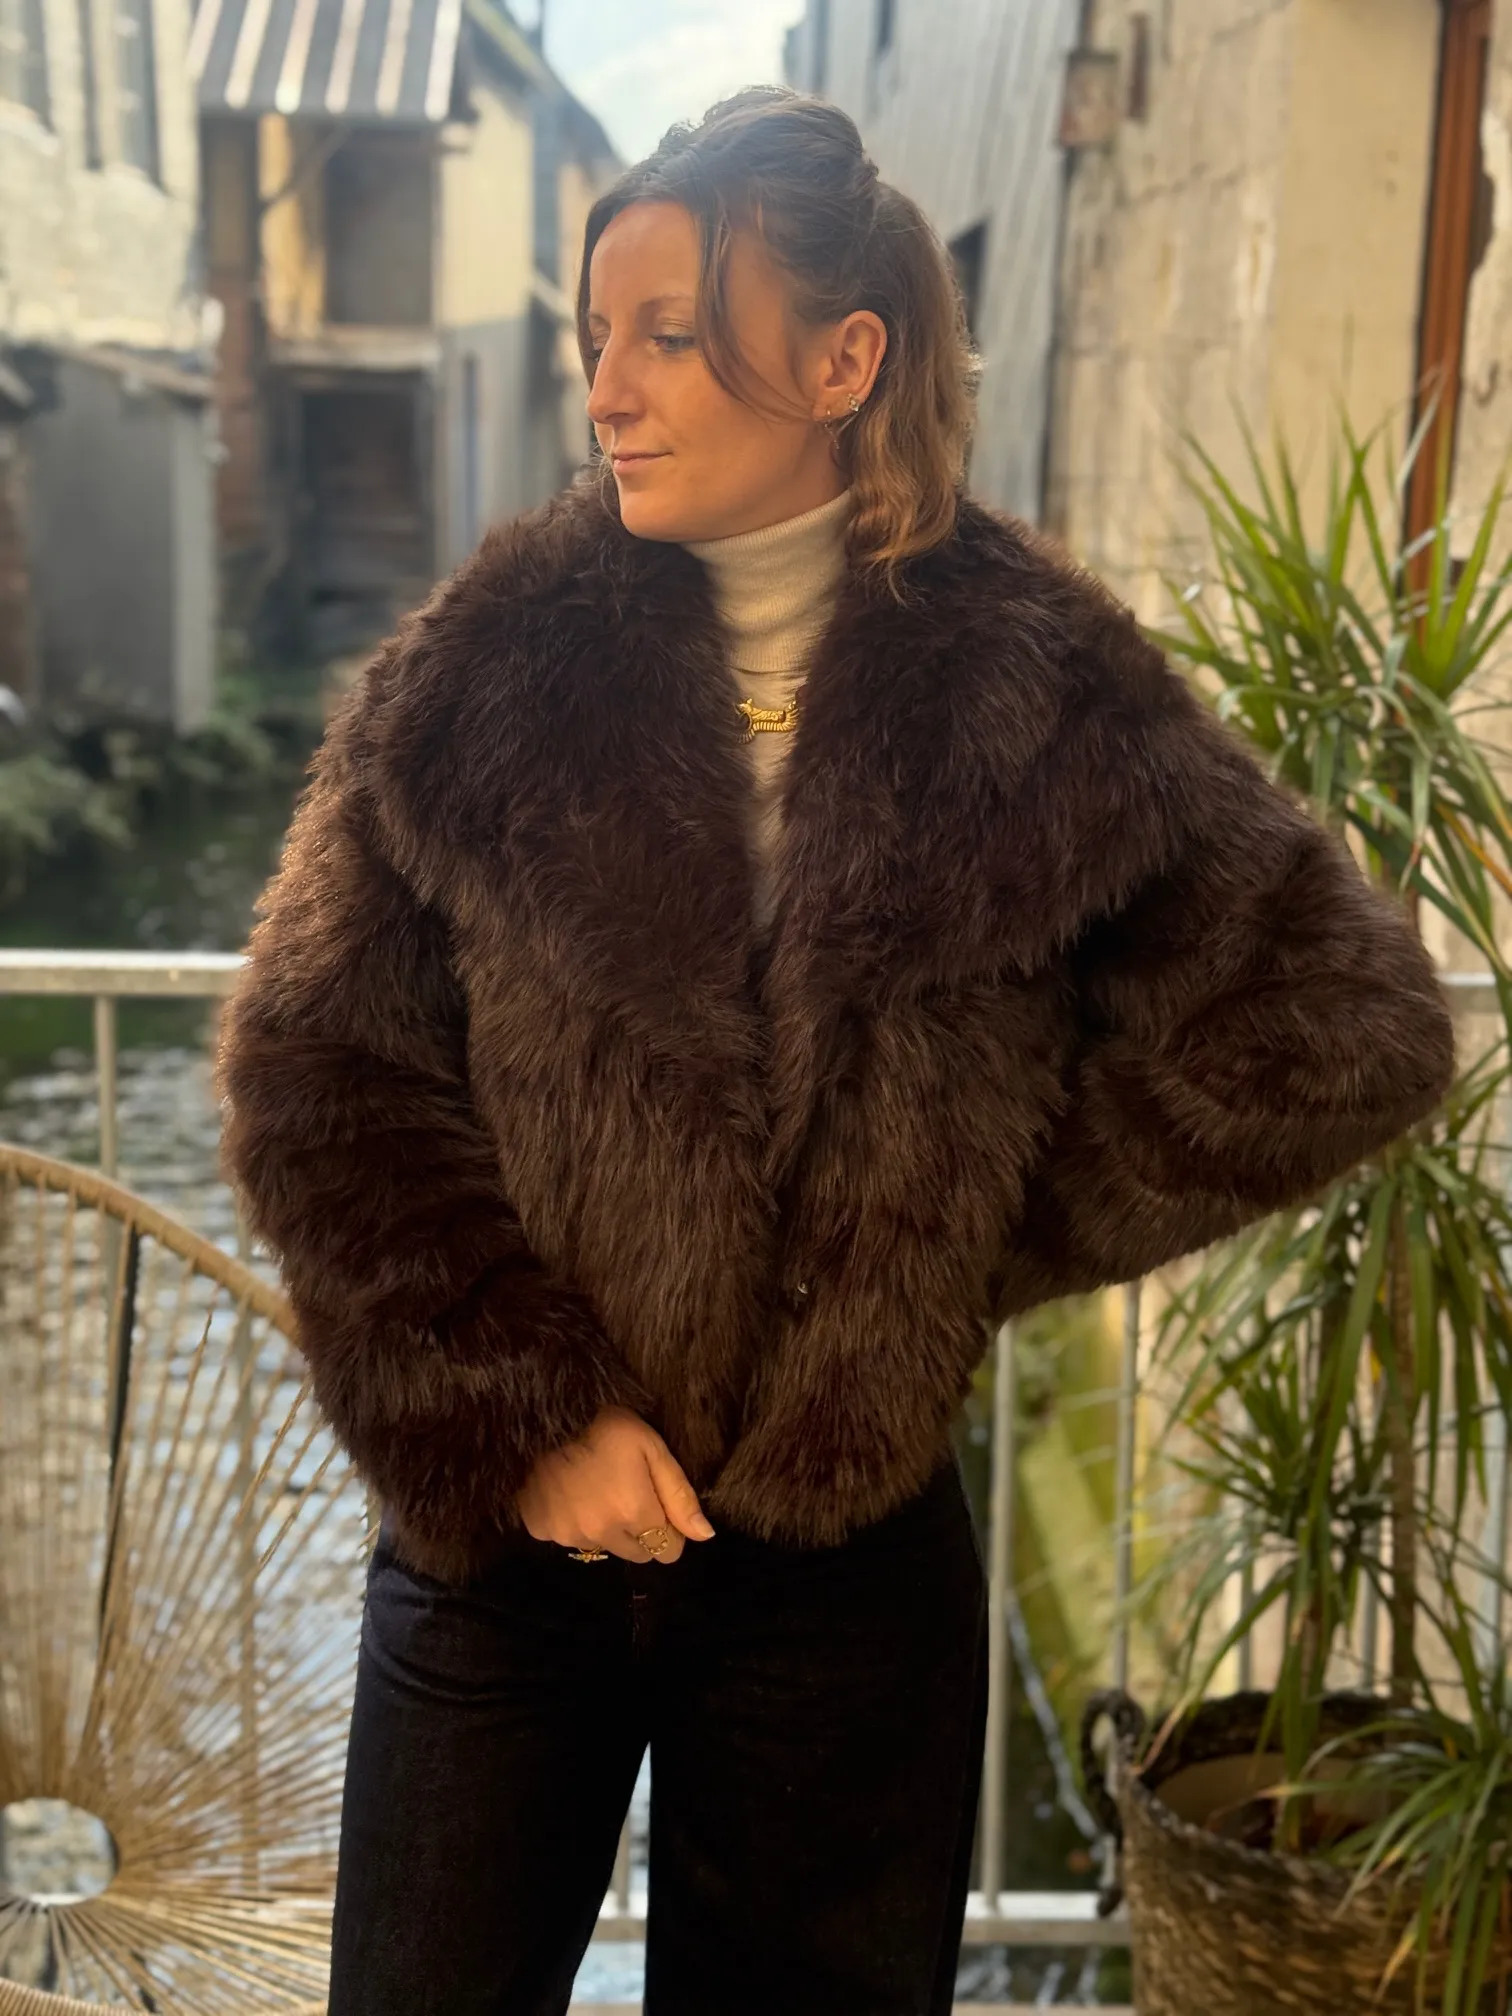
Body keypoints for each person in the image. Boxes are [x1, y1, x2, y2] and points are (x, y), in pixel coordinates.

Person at [214, 85, 1456, 2016]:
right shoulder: (484, 661)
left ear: (842, 359)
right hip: (505, 1545)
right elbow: (312, 1068)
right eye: (598, 335)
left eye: (668, 335)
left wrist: (929, 1247)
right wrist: (522, 1409)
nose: (608, 390)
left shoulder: (1045, 686)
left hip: (840, 1567)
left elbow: (1342, 1024)